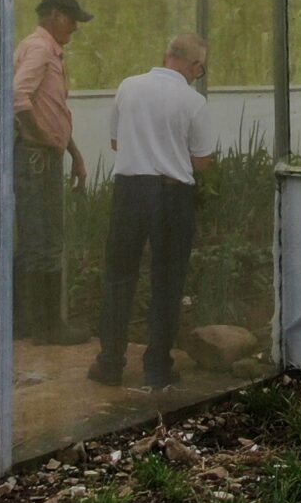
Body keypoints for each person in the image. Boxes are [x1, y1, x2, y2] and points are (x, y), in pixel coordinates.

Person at [91, 34, 214, 389]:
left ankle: (110, 362)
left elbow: (116, 142)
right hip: (172, 195)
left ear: (165, 56)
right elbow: (202, 161)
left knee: (119, 277)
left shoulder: (128, 87)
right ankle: (157, 366)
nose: (199, 75)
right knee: (167, 281)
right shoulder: (193, 101)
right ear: (193, 66)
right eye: (201, 69)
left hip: (129, 191)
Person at [12, 0, 91, 344]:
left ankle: (27, 323)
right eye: (72, 19)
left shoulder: (42, 48)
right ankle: (47, 326)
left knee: (35, 238)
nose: (74, 28)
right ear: (57, 15)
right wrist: (41, 139)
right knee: (44, 240)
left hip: (44, 154)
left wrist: (71, 150)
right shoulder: (42, 49)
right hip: (37, 158)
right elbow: (18, 97)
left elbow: (51, 108)